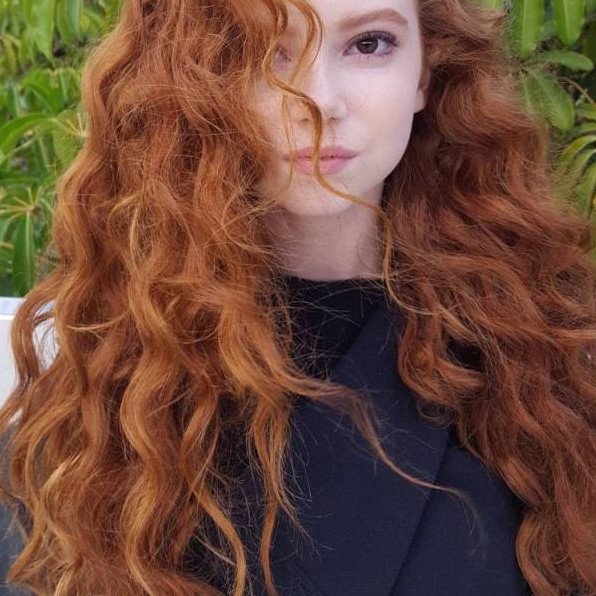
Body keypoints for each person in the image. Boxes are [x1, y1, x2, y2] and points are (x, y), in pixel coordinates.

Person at [0, 0, 594, 594]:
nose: (318, 101)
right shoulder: (94, 416)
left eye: (369, 44)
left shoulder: (544, 372)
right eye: (263, 51)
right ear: (184, 81)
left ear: (425, 73)